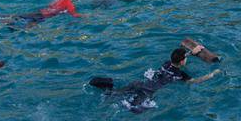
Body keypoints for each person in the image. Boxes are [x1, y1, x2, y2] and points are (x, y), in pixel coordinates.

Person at [89, 40, 221, 112]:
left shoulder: (166, 63)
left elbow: (179, 57)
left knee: (115, 94)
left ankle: (107, 87)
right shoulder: (181, 74)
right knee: (133, 109)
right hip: (148, 92)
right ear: (182, 62)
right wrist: (212, 74)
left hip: (139, 83)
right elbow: (196, 81)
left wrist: (192, 52)